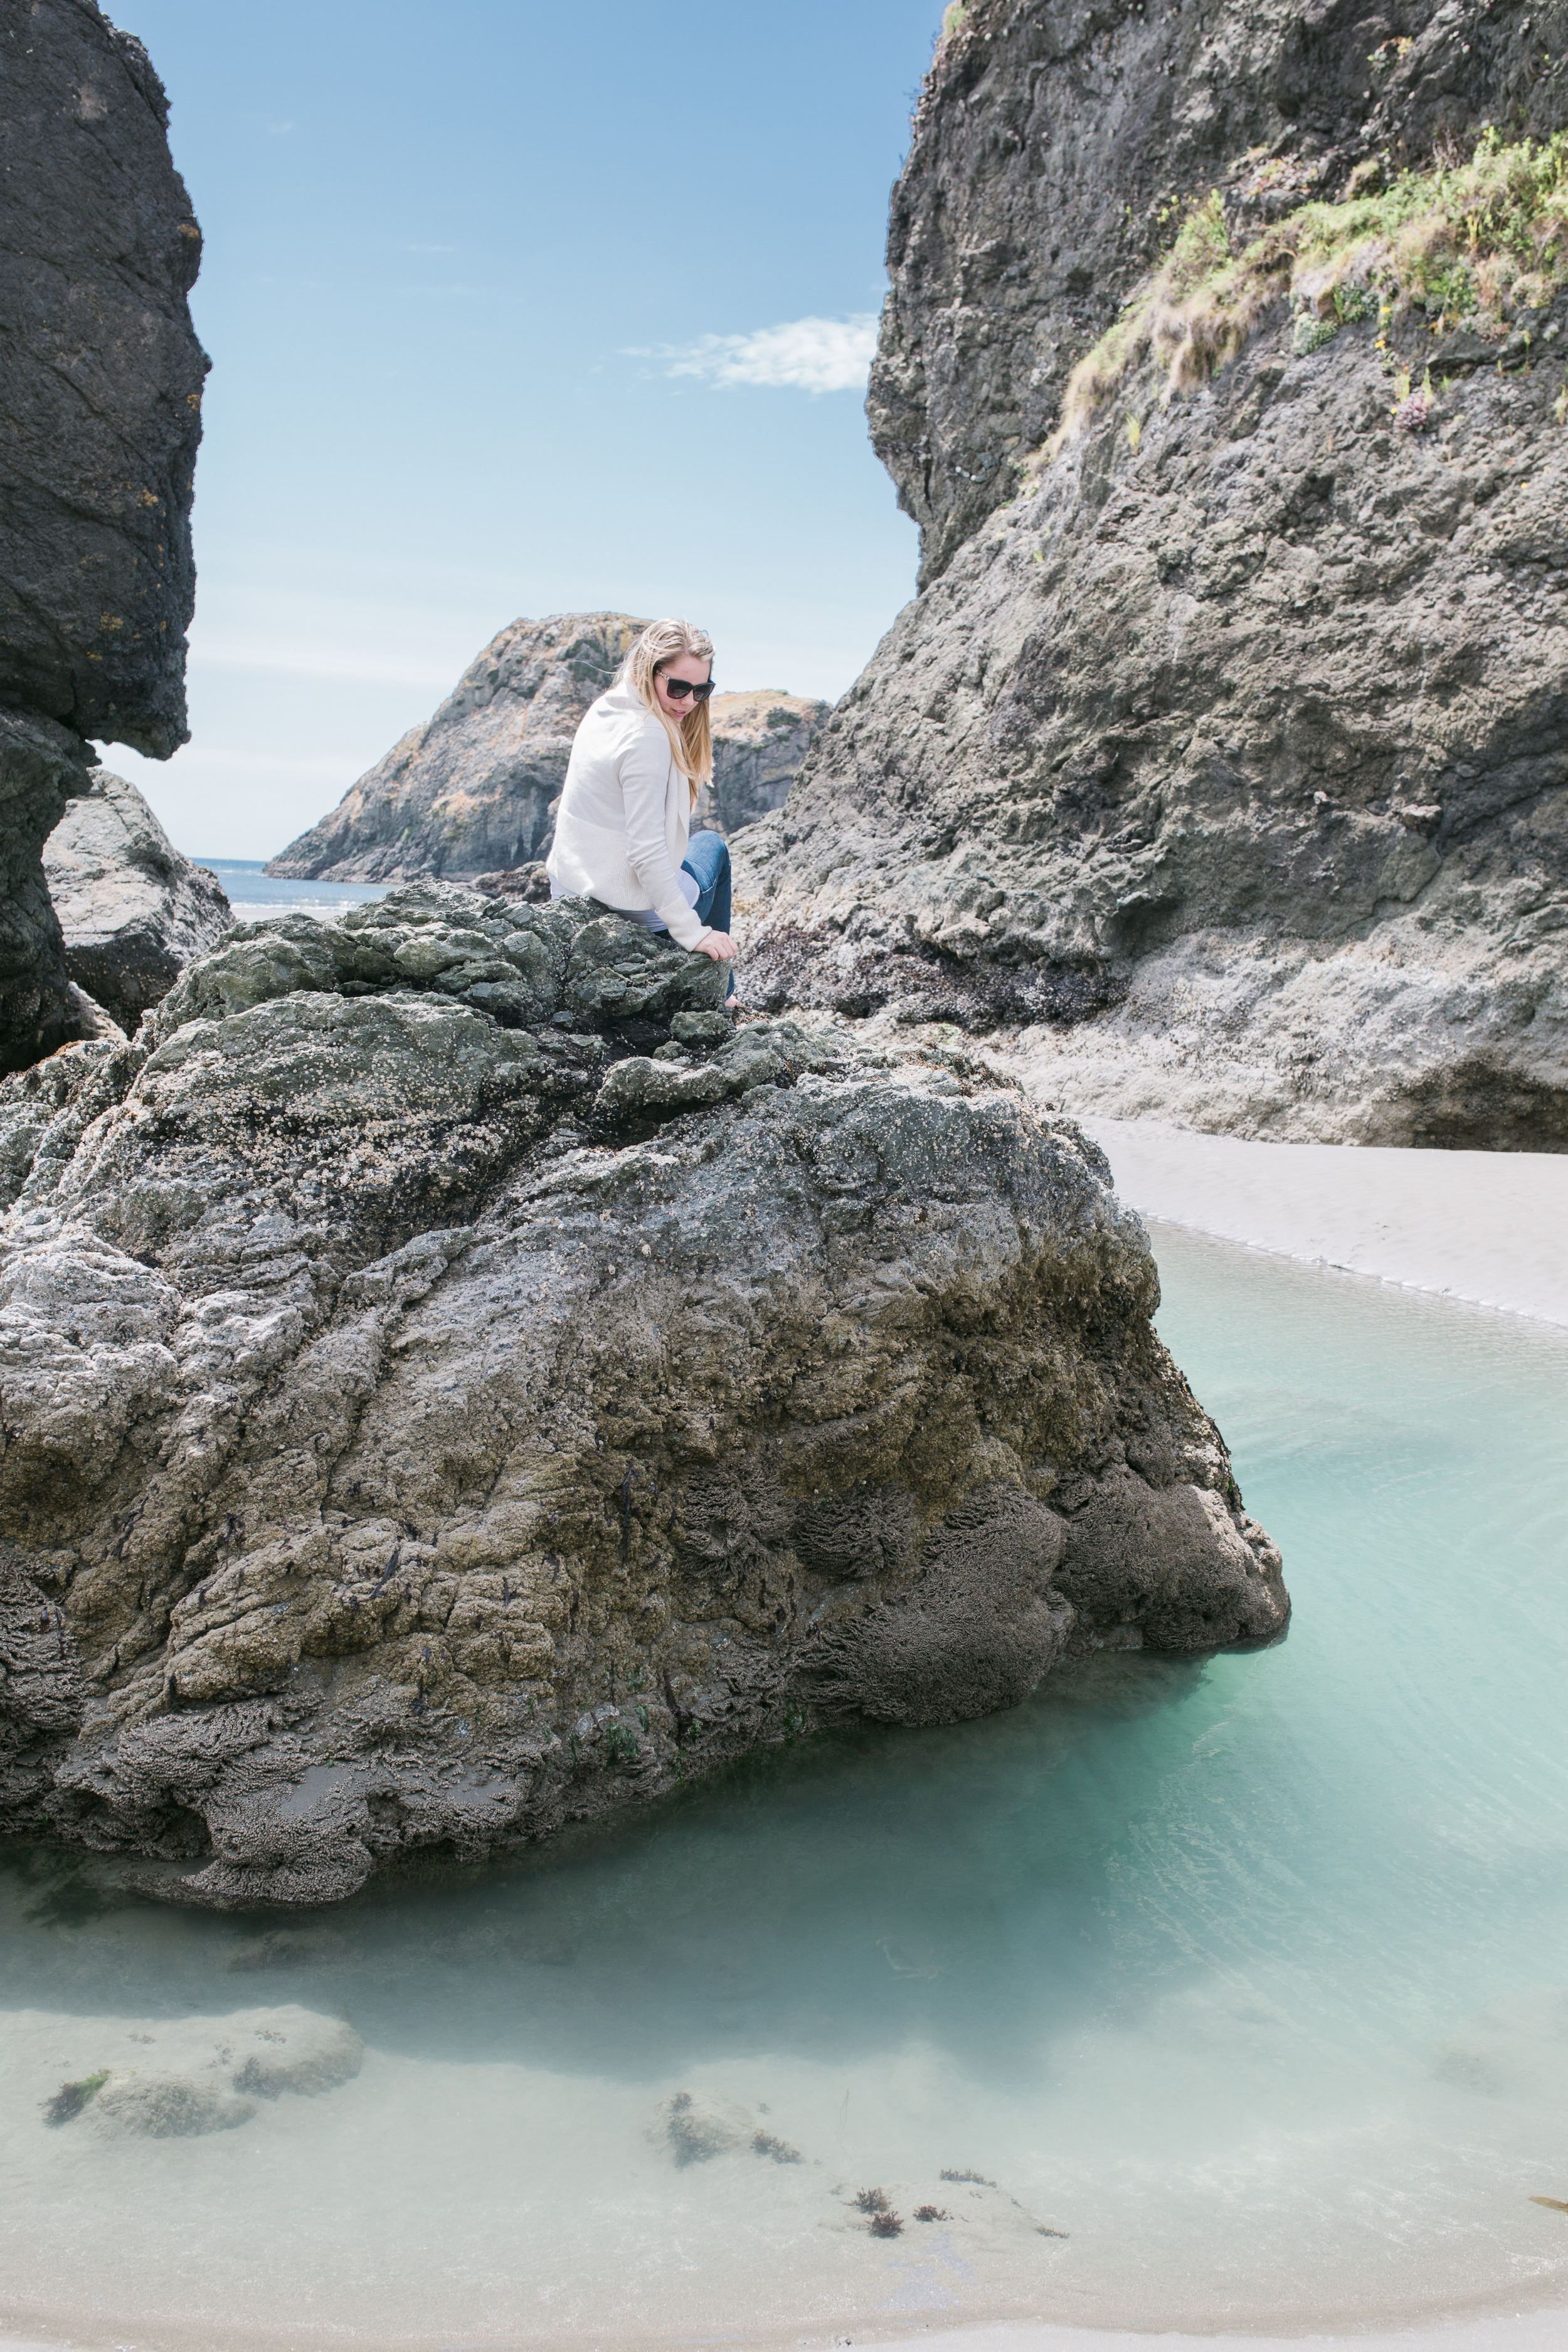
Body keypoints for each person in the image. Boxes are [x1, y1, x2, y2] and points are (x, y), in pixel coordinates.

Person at [546, 617, 736, 999]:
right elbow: (646, 851)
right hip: (629, 907)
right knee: (712, 846)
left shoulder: (606, 708)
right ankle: (723, 993)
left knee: (686, 856)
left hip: (570, 891)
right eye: (679, 687)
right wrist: (692, 932)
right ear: (648, 670)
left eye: (702, 690)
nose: (688, 702)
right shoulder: (649, 734)